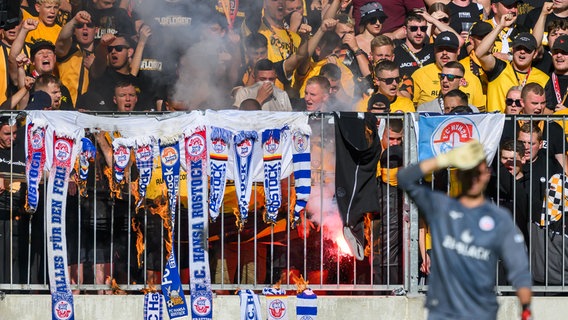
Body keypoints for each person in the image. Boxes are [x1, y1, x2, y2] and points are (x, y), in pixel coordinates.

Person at [397, 140, 532, 319]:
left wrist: (526, 309)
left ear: (487, 175)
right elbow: (405, 178)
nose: (474, 178)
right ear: (460, 175)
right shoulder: (442, 207)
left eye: (479, 173)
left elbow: (519, 269)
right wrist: (445, 158)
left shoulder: (499, 218)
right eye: (469, 173)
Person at [476, 14, 550, 113]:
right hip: (499, 127)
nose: (522, 52)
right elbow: (480, 53)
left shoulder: (543, 78)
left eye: (527, 49)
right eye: (519, 48)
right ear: (512, 49)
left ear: (535, 54)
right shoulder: (499, 68)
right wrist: (500, 27)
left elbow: (549, 111)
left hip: (527, 128)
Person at [411, 32, 485, 109]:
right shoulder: (419, 75)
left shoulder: (473, 78)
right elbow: (412, 111)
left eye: (450, 49)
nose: (444, 53)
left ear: (458, 51)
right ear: (434, 50)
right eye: (440, 49)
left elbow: (479, 114)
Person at [0, 116, 25, 288]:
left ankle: (15, 290)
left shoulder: (21, 149)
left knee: (16, 256)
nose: (12, 137)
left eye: (15, 133)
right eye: (7, 133)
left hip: (18, 214)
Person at [55, 10, 96, 106]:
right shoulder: (68, 51)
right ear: (74, 31)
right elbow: (62, 39)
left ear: (96, 30)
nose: (85, 29)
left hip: (91, 110)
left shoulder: (101, 54)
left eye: (89, 26)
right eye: (80, 26)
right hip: (66, 108)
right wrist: (74, 21)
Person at [394, 12, 434, 80]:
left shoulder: (433, 50)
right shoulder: (396, 54)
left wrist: (433, 20)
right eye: (414, 28)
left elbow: (457, 41)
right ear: (405, 30)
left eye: (423, 28)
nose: (419, 33)